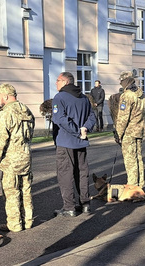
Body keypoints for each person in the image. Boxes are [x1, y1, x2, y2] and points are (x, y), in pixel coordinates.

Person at [0, 83, 35, 232]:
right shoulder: (26, 111)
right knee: (26, 191)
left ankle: (15, 224)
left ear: (6, 96)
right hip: (25, 157)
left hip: (11, 162)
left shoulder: (3, 114)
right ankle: (28, 221)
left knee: (12, 192)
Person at [52, 72, 96, 217]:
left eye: (58, 81)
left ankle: (69, 207)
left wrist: (77, 131)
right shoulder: (83, 97)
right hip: (81, 141)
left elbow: (60, 119)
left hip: (66, 142)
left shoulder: (59, 97)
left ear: (65, 82)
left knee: (65, 174)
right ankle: (85, 204)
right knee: (82, 173)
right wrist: (84, 129)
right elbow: (92, 116)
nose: (56, 83)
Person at [115, 71, 145, 188]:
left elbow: (123, 118)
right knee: (138, 158)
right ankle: (139, 184)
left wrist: (118, 134)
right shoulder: (140, 94)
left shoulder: (127, 95)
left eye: (121, 81)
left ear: (125, 82)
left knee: (130, 160)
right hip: (139, 129)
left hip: (129, 132)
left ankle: (132, 186)